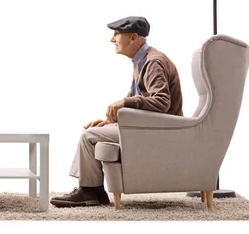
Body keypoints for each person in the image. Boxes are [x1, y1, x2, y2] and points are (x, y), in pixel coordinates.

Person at [50, 16, 183, 207]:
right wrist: (110, 122)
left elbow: (161, 102)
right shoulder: (143, 61)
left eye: (117, 34)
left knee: (88, 136)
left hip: (160, 131)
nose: (112, 39)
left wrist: (124, 102)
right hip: (151, 126)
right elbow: (143, 102)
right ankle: (92, 191)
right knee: (94, 131)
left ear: (133, 38)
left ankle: (91, 192)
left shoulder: (153, 62)